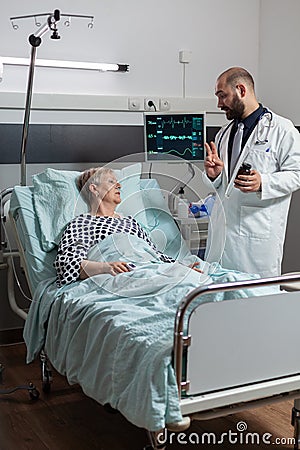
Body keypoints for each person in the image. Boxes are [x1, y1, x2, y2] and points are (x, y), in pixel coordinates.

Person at [203, 67, 300, 277]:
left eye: (223, 96)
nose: (219, 104)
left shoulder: (282, 130)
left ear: (241, 90)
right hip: (222, 238)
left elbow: (296, 174)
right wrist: (215, 175)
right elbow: (225, 188)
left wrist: (263, 182)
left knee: (255, 302)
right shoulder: (223, 134)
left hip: (255, 240)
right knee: (217, 300)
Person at [54, 167, 201, 286]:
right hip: (121, 274)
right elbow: (67, 264)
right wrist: (106, 267)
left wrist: (178, 268)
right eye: (111, 181)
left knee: (198, 277)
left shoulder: (131, 222)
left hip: (150, 268)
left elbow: (154, 254)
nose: (119, 185)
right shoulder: (82, 223)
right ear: (94, 189)